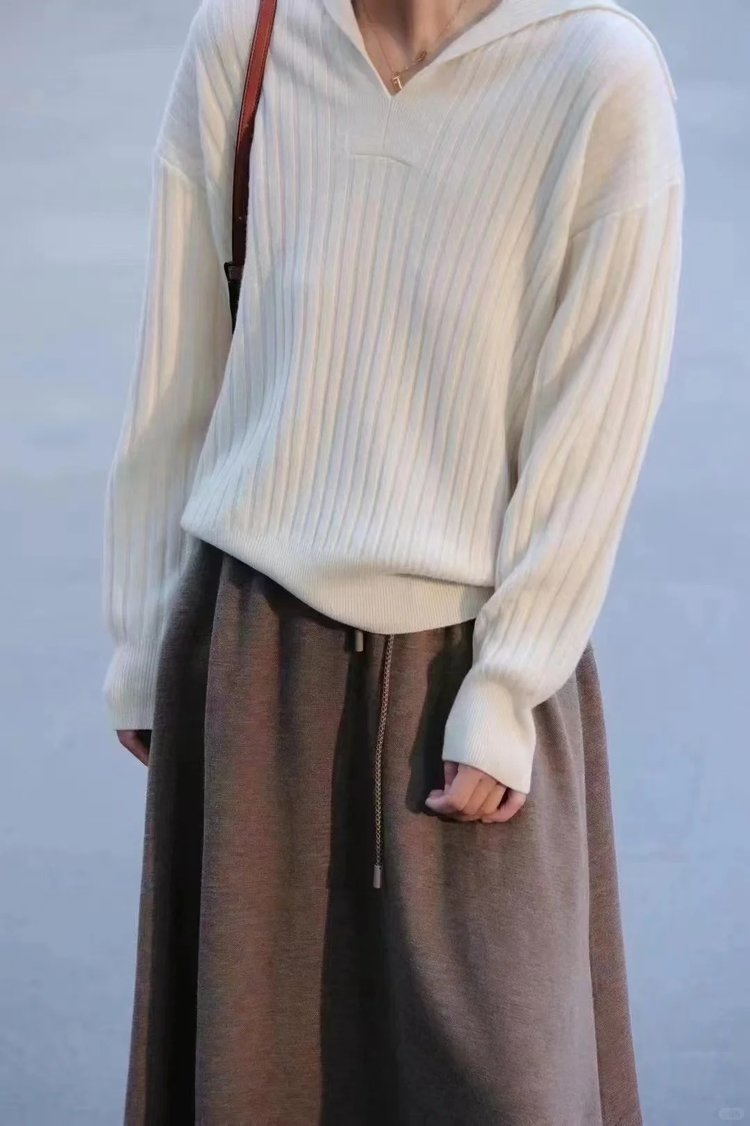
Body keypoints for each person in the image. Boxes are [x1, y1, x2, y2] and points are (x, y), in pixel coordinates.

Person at [102, 0, 684, 1121]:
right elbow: (178, 367)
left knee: (511, 1083)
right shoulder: (248, 37)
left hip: (473, 665)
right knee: (257, 1085)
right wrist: (141, 642)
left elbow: (595, 421)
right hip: (254, 653)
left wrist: (509, 686)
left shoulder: (595, 70)